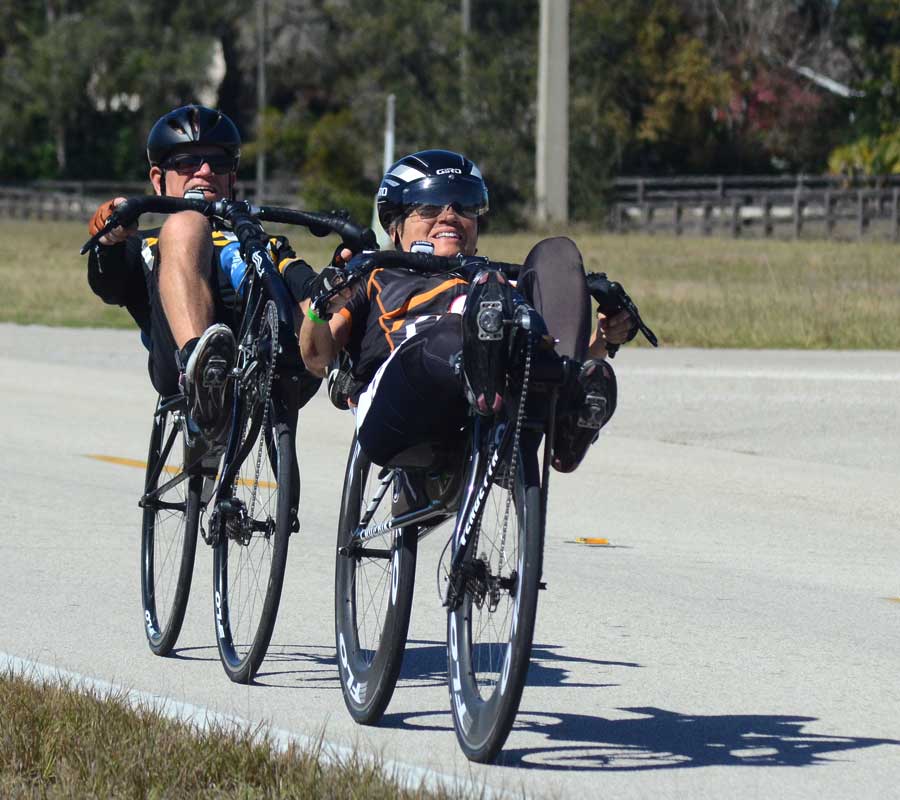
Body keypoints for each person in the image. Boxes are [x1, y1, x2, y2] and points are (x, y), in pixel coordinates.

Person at [299, 149, 635, 473]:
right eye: (428, 206)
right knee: (451, 331)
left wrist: (601, 340)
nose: (448, 214)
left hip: (490, 402)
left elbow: (550, 340)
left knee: (556, 256)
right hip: (401, 409)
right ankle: (479, 365)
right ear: (395, 227)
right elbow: (316, 358)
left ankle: (565, 411)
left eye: (464, 204)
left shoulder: (498, 282)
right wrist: (320, 308)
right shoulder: (375, 276)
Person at [86, 104, 320, 441]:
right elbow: (109, 286)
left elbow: (307, 289)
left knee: (322, 287)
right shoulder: (145, 242)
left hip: (267, 367)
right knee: (187, 223)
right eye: (186, 162)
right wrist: (108, 240)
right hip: (177, 368)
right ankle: (202, 373)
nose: (205, 170)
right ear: (158, 179)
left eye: (218, 162)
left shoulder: (261, 241)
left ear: (232, 177)